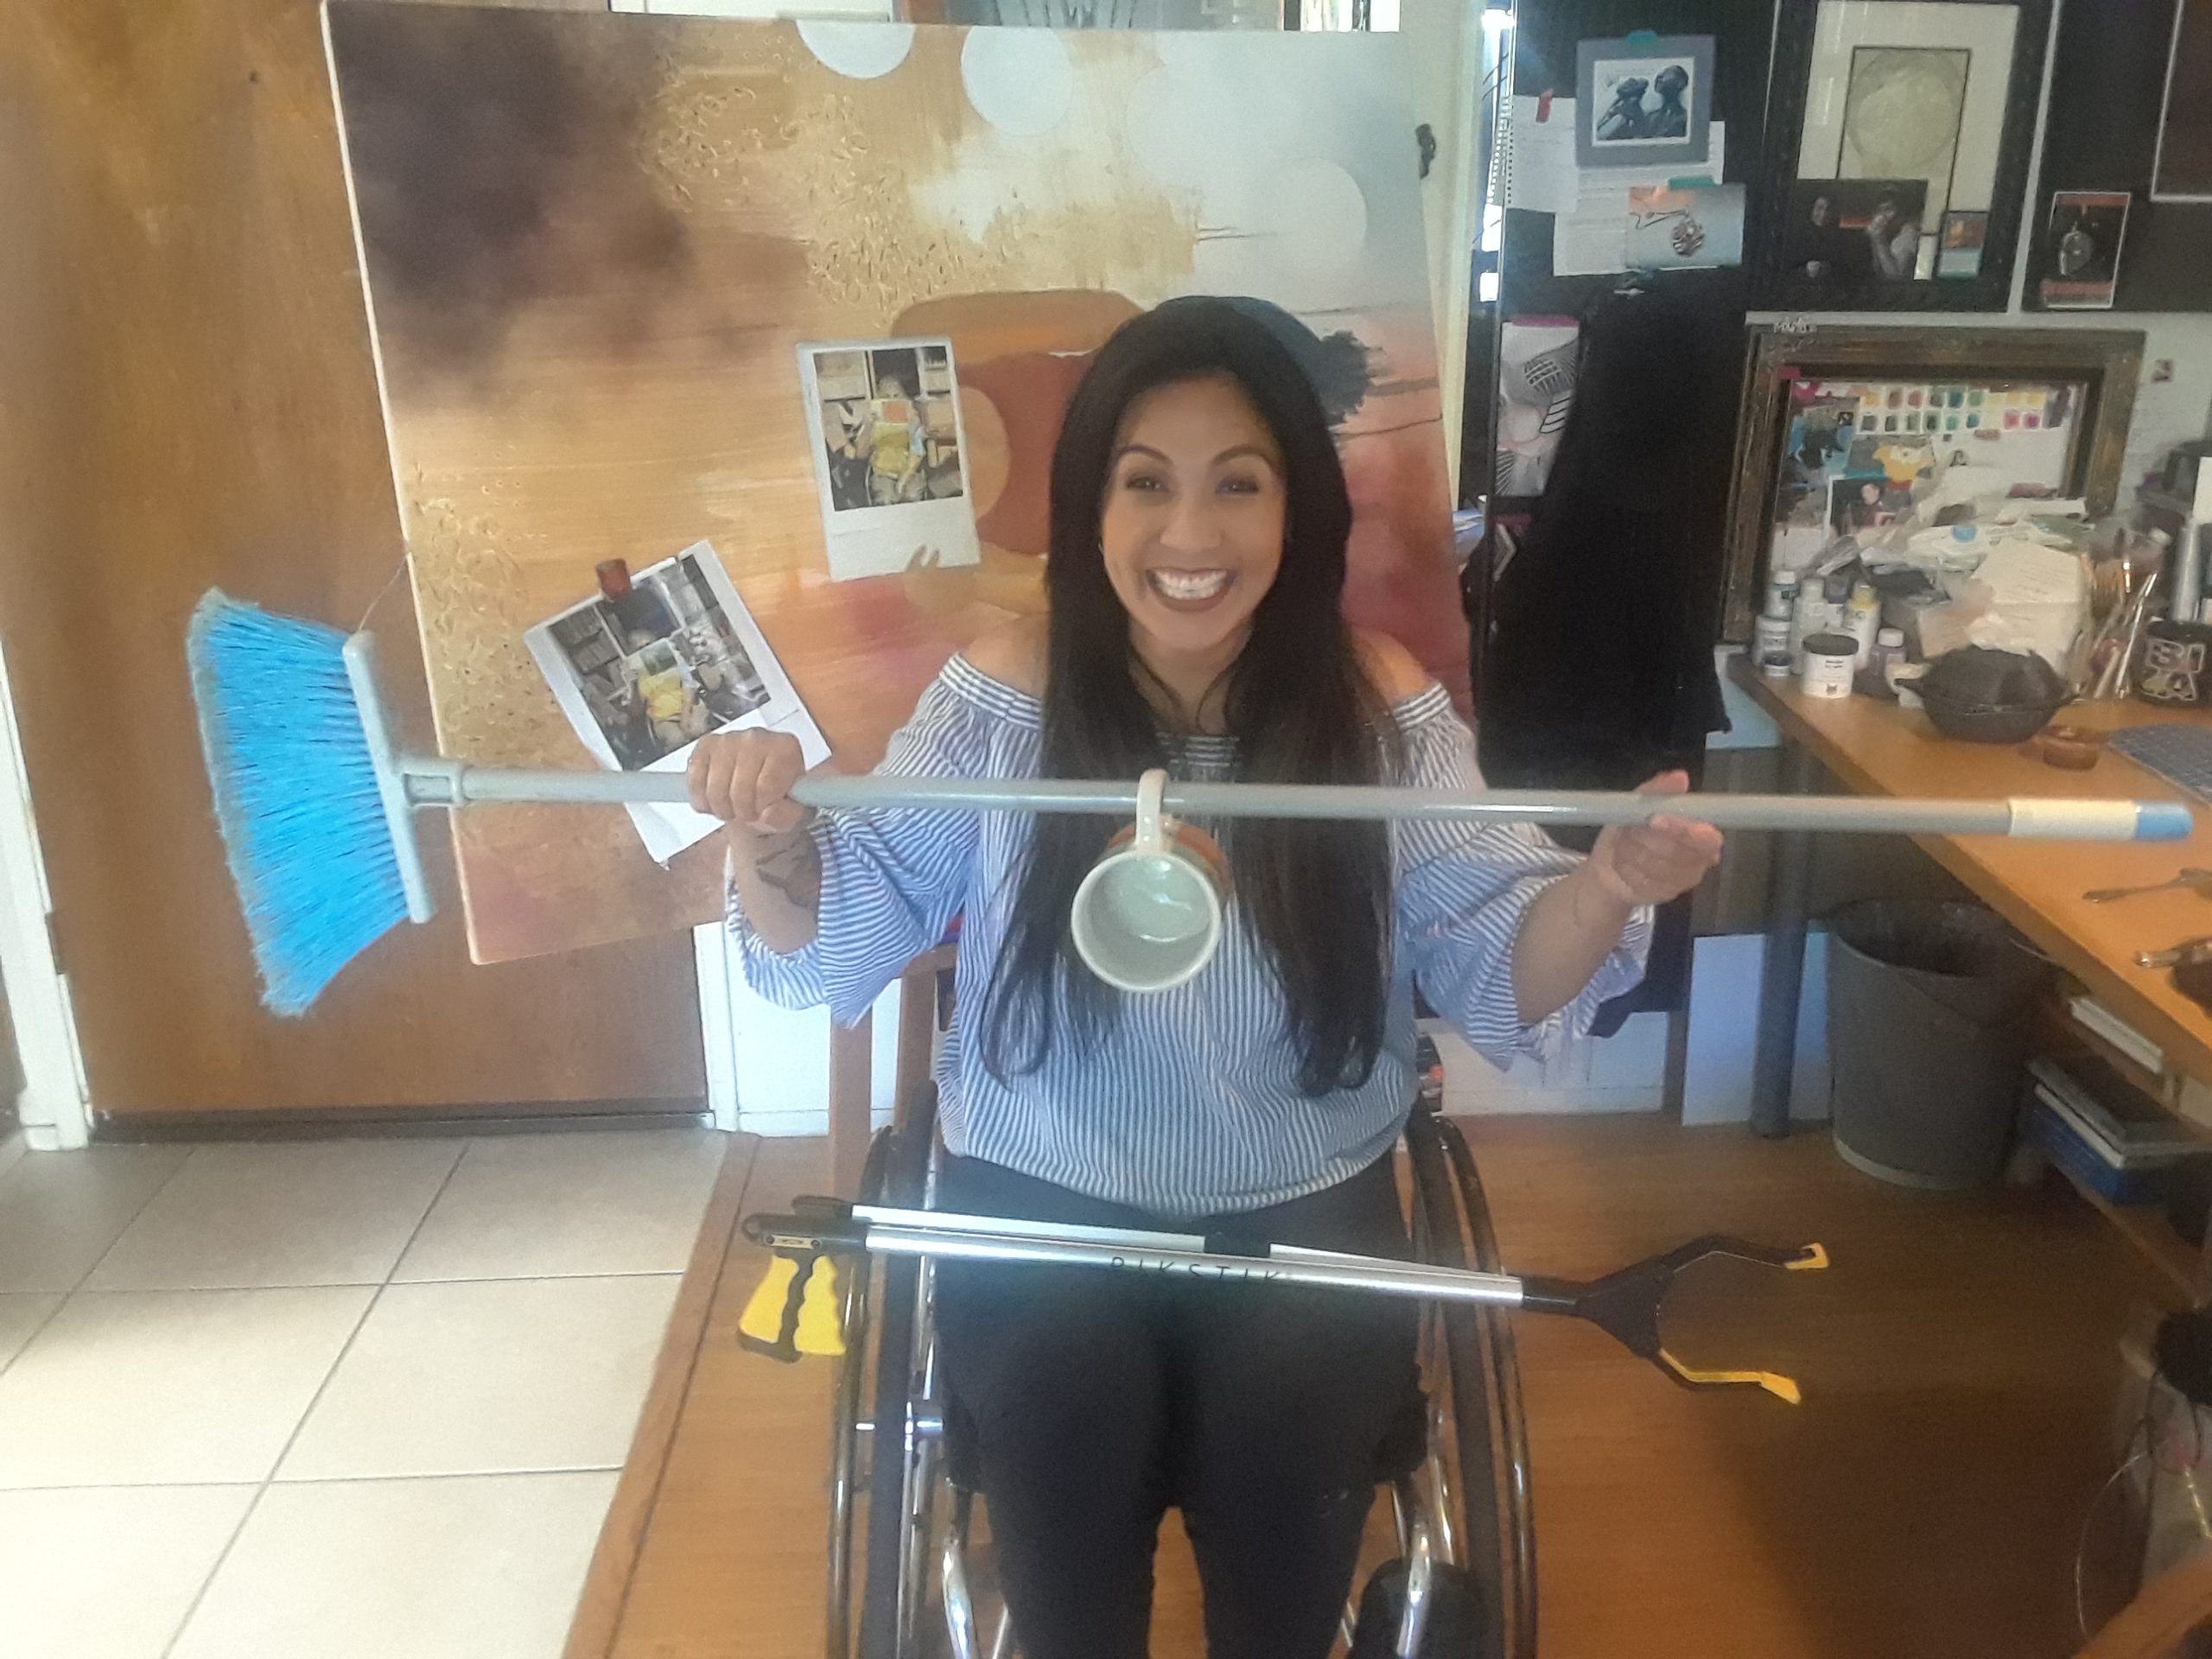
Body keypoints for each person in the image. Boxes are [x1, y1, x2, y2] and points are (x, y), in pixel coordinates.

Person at [690, 298, 1720, 1659]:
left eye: (1238, 484)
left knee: (1287, 1586)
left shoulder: (1375, 706)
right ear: (1089, 511)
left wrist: (1604, 888)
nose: (1190, 536)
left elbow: (1497, 958)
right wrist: (778, 842)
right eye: (1145, 484)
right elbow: (849, 916)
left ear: (1295, 512)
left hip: (1304, 1215)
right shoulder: (1009, 691)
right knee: (1063, 1579)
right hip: (1039, 1214)